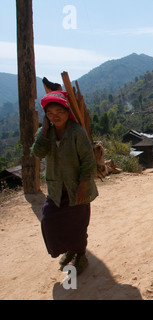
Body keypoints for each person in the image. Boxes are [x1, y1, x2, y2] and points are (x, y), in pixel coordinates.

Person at [31, 91, 98, 274]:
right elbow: (38, 153)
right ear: (46, 117)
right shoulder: (45, 133)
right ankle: (69, 250)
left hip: (77, 187)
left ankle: (80, 255)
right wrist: (44, 131)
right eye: (50, 113)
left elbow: (88, 161)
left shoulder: (77, 132)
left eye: (59, 111)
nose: (55, 116)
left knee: (77, 225)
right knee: (49, 221)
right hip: (56, 188)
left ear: (67, 112)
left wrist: (83, 185)